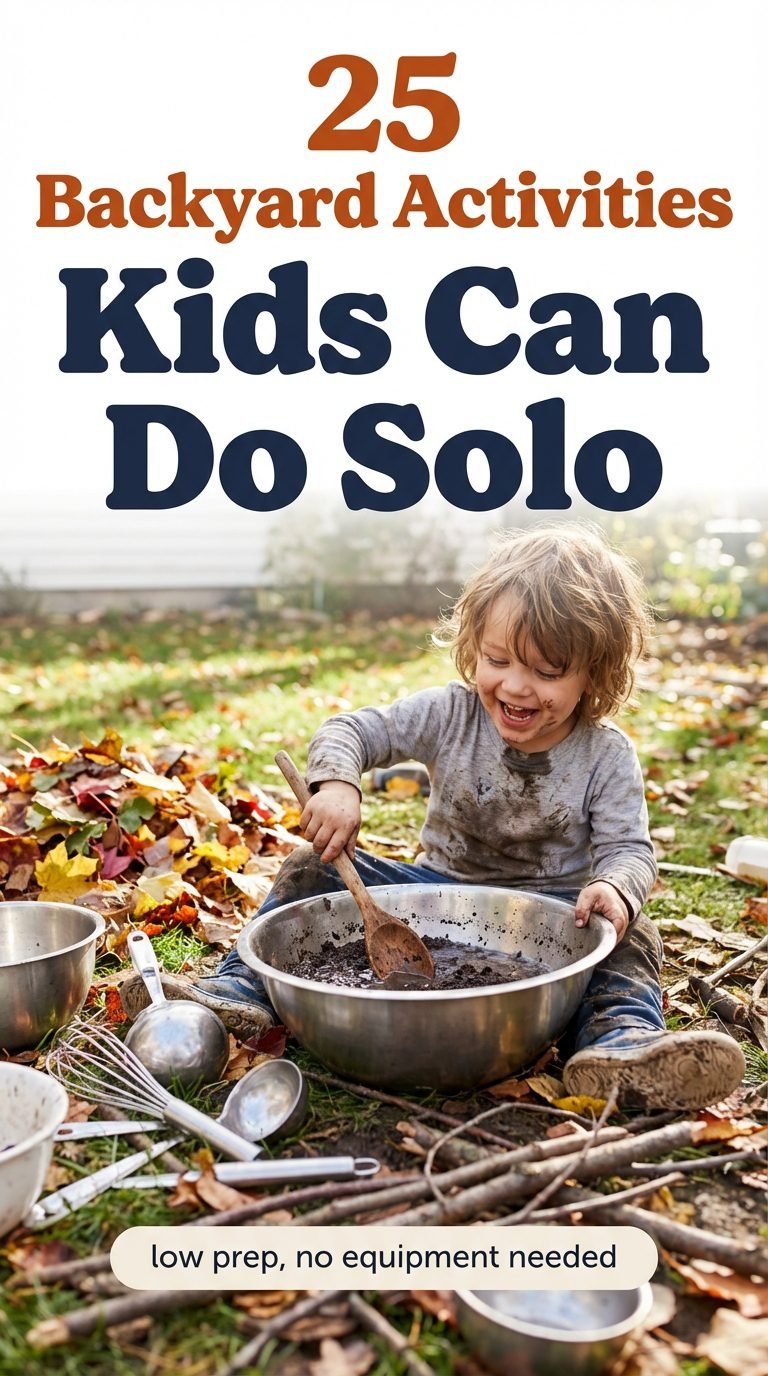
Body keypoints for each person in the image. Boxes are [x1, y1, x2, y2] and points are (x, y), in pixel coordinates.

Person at [122, 524, 745, 1110]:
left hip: (557, 912)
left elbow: (630, 852)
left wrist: (614, 888)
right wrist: (339, 782)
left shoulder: (605, 754)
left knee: (632, 934)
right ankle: (237, 991)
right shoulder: (451, 714)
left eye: (547, 672)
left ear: (594, 674)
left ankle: (618, 1044)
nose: (516, 687)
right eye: (498, 660)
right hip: (434, 897)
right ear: (474, 647)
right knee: (314, 864)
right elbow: (351, 729)